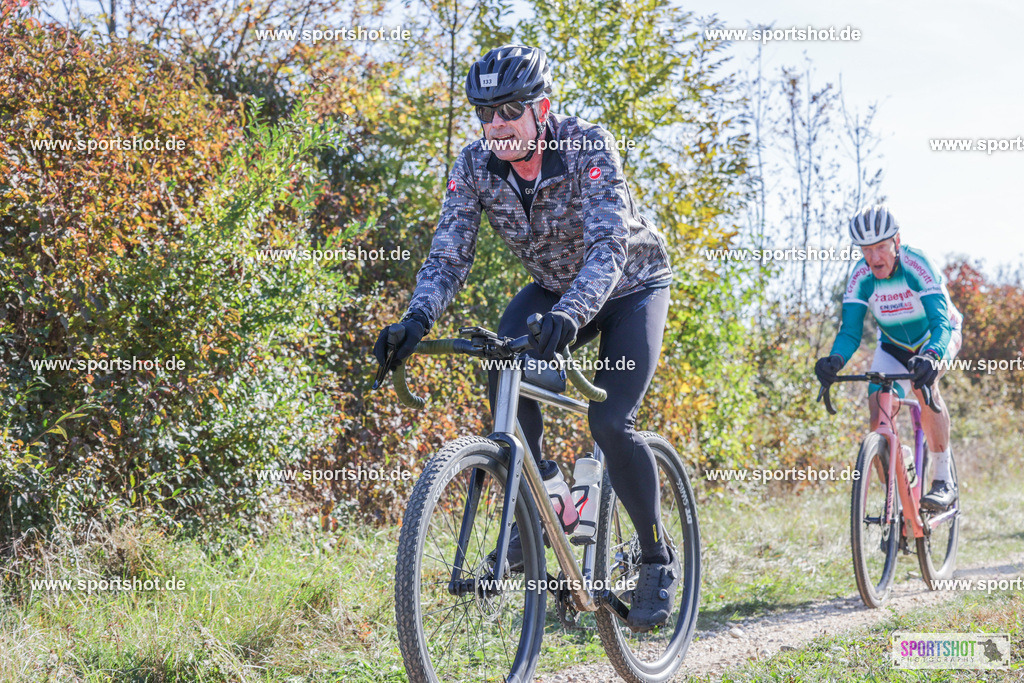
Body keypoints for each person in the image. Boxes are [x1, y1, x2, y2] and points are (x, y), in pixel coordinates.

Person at [373, 44, 678, 630]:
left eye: (510, 110)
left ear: (542, 108)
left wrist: (572, 314)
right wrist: (416, 319)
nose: (497, 125)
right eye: (486, 113)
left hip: (630, 285)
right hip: (553, 287)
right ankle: (546, 500)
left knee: (610, 422)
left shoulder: (587, 145)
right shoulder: (473, 166)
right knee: (500, 361)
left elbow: (609, 245)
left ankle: (656, 558)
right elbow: (449, 254)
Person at [815, 205, 964, 511]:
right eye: (866, 250)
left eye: (881, 247)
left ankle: (943, 480)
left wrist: (932, 356)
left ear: (897, 241)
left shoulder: (917, 264)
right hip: (892, 346)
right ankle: (898, 497)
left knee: (925, 386)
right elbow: (850, 332)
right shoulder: (860, 276)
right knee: (877, 416)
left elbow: (940, 324)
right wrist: (834, 360)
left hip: (937, 337)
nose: (874, 258)